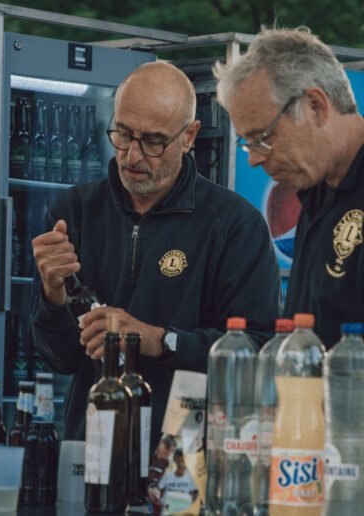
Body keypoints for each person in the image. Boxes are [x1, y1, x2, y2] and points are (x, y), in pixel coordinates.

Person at [30, 61, 280, 450]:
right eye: (123, 134)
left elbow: (257, 353)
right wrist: (52, 294)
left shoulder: (234, 224)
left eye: (153, 141)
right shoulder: (73, 211)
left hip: (189, 459)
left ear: (189, 136)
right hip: (93, 448)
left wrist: (160, 340)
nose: (132, 155)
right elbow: (59, 359)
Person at [214, 27, 364, 349]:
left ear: (316, 106)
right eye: (247, 142)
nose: (253, 159)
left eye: (262, 138)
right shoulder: (316, 190)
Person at [158, 448, 198, 513]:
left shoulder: (191, 478)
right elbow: (159, 492)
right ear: (175, 461)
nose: (181, 464)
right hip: (168, 511)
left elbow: (193, 497)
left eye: (183, 461)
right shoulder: (167, 476)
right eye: (178, 461)